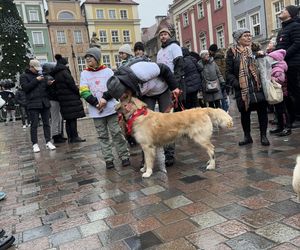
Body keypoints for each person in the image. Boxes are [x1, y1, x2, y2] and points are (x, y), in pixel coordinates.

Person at [99, 58, 181, 167]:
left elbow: (164, 68)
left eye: (123, 96)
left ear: (126, 88)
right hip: (147, 95)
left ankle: (169, 154)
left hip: (162, 89)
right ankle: (146, 159)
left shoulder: (141, 72)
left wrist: (174, 87)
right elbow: (113, 90)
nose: (123, 99)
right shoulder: (119, 82)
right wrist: (104, 98)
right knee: (144, 125)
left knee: (167, 122)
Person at [80, 47, 130, 169]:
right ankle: (108, 159)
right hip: (96, 111)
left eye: (90, 57)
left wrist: (104, 99)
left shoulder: (107, 71)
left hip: (110, 109)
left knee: (116, 133)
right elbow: (83, 90)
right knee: (102, 136)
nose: (87, 59)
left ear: (97, 58)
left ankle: (124, 156)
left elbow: (114, 87)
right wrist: (95, 103)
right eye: (86, 58)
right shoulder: (85, 73)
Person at [226, 28, 270, 146]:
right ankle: (247, 136)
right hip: (243, 89)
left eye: (250, 35)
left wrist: (262, 56)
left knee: (262, 111)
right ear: (238, 39)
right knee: (245, 113)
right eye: (245, 36)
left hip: (257, 86)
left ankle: (263, 136)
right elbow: (228, 72)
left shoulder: (256, 50)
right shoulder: (232, 53)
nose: (249, 37)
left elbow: (265, 67)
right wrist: (237, 84)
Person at [156, 27, 185, 166]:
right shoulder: (160, 52)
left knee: (169, 120)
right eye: (161, 34)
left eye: (165, 34)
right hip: (161, 87)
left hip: (171, 86)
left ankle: (169, 154)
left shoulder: (174, 47)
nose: (163, 36)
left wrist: (176, 85)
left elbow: (179, 66)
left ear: (170, 35)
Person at [20, 59, 56, 153]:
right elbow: (26, 88)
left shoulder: (41, 76)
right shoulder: (24, 76)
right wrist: (36, 80)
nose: (37, 70)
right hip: (32, 103)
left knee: (47, 123)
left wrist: (48, 84)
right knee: (34, 124)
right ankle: (35, 144)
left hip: (44, 102)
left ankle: (48, 141)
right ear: (31, 67)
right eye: (36, 69)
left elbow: (44, 89)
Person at [50, 54, 86, 143]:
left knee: (68, 119)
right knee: (73, 119)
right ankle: (74, 137)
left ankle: (70, 137)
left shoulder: (56, 73)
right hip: (70, 98)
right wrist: (79, 92)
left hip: (63, 99)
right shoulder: (64, 72)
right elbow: (71, 84)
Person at [275, 5, 300, 126]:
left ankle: (298, 118)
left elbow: (297, 44)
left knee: (296, 91)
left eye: (284, 10)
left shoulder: (296, 26)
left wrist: (283, 54)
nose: (281, 11)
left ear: (290, 14)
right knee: (288, 93)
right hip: (284, 65)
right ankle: (291, 118)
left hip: (295, 64)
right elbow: (279, 47)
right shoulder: (282, 30)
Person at [268, 49, 291, 136]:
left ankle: (287, 127)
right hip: (278, 92)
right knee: (278, 110)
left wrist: (273, 79)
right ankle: (280, 126)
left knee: (283, 110)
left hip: (281, 93)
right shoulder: (276, 67)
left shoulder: (278, 68)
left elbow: (281, 79)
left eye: (271, 58)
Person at [43, 62, 66, 144]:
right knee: (55, 118)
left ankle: (59, 134)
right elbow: (51, 90)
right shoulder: (48, 78)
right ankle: (55, 135)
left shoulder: (48, 77)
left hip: (55, 99)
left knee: (58, 118)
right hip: (53, 99)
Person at [209, 44, 229, 112]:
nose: (209, 53)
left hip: (220, 80)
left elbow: (218, 70)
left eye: (210, 51)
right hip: (224, 79)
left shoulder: (216, 58)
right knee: (224, 96)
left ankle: (224, 111)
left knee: (221, 97)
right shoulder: (222, 56)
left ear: (212, 51)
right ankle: (226, 110)